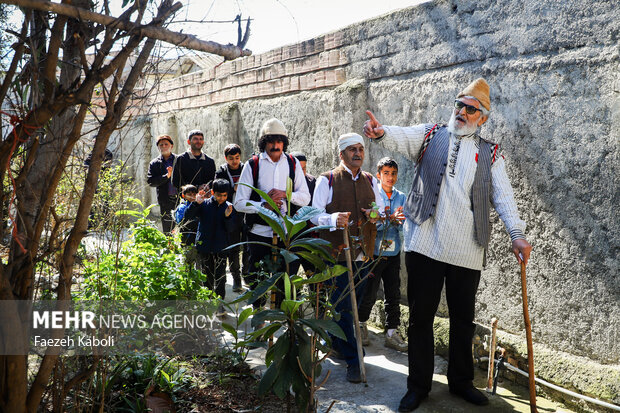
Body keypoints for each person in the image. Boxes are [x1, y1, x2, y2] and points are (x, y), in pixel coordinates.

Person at [363, 78, 533, 412]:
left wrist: (517, 234)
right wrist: (381, 132)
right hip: (424, 243)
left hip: (467, 249)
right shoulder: (431, 135)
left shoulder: (491, 154)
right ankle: (418, 386)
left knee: (462, 320)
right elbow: (400, 135)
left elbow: (504, 197)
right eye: (460, 105)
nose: (462, 112)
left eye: (471, 109)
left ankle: (461, 382)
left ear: (482, 118)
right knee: (420, 319)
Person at [311, 133, 384, 384]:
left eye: (361, 149)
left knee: (356, 304)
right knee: (344, 307)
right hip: (337, 253)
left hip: (364, 253)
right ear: (341, 154)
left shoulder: (371, 180)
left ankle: (337, 344)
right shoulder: (328, 180)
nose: (358, 153)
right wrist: (333, 219)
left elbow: (381, 209)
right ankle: (355, 359)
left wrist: (374, 214)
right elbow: (313, 215)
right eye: (352, 149)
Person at [234, 118, 310, 310]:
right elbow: (239, 203)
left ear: (284, 142)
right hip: (259, 234)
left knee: (286, 281)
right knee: (257, 280)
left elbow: (305, 197)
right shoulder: (253, 165)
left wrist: (286, 194)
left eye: (279, 141)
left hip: (286, 234)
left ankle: (284, 323)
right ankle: (259, 320)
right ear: (264, 142)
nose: (276, 146)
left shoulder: (292, 163)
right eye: (271, 141)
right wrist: (263, 204)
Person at [358, 157, 408, 352]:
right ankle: (361, 325)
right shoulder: (373, 195)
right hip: (374, 252)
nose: (390, 177)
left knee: (393, 293)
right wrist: (390, 219)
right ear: (378, 175)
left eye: (393, 173)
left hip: (394, 252)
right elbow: (372, 223)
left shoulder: (401, 197)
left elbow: (404, 222)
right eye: (386, 173)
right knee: (369, 291)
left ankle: (391, 332)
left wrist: (396, 220)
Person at [185, 179, 237, 307]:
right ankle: (208, 302)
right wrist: (196, 203)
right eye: (219, 195)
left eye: (225, 195)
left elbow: (231, 229)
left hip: (221, 247)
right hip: (205, 246)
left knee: (220, 277)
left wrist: (228, 217)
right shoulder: (204, 204)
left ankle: (219, 303)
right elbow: (187, 216)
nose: (222, 198)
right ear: (212, 192)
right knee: (207, 274)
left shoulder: (228, 207)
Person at [171, 129, 216, 247]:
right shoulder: (181, 159)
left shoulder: (209, 161)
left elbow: (212, 180)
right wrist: (195, 188)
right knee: (187, 233)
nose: (198, 141)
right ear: (188, 141)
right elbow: (176, 181)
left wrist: (206, 187)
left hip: (204, 202)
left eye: (201, 139)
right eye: (195, 139)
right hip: (188, 202)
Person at [215, 144, 247, 293]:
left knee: (247, 246)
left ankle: (247, 274)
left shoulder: (246, 168)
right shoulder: (221, 171)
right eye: (231, 158)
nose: (234, 161)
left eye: (237, 158)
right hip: (229, 212)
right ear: (225, 158)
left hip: (246, 212)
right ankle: (236, 277)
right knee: (233, 247)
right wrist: (233, 188)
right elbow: (217, 188)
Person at [147, 135, 178, 234]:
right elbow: (151, 181)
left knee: (183, 224)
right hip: (165, 199)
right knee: (168, 227)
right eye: (161, 145)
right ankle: (170, 247)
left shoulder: (179, 160)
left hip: (180, 198)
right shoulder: (155, 163)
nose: (164, 146)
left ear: (171, 146)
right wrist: (166, 176)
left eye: (166, 144)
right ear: (158, 147)